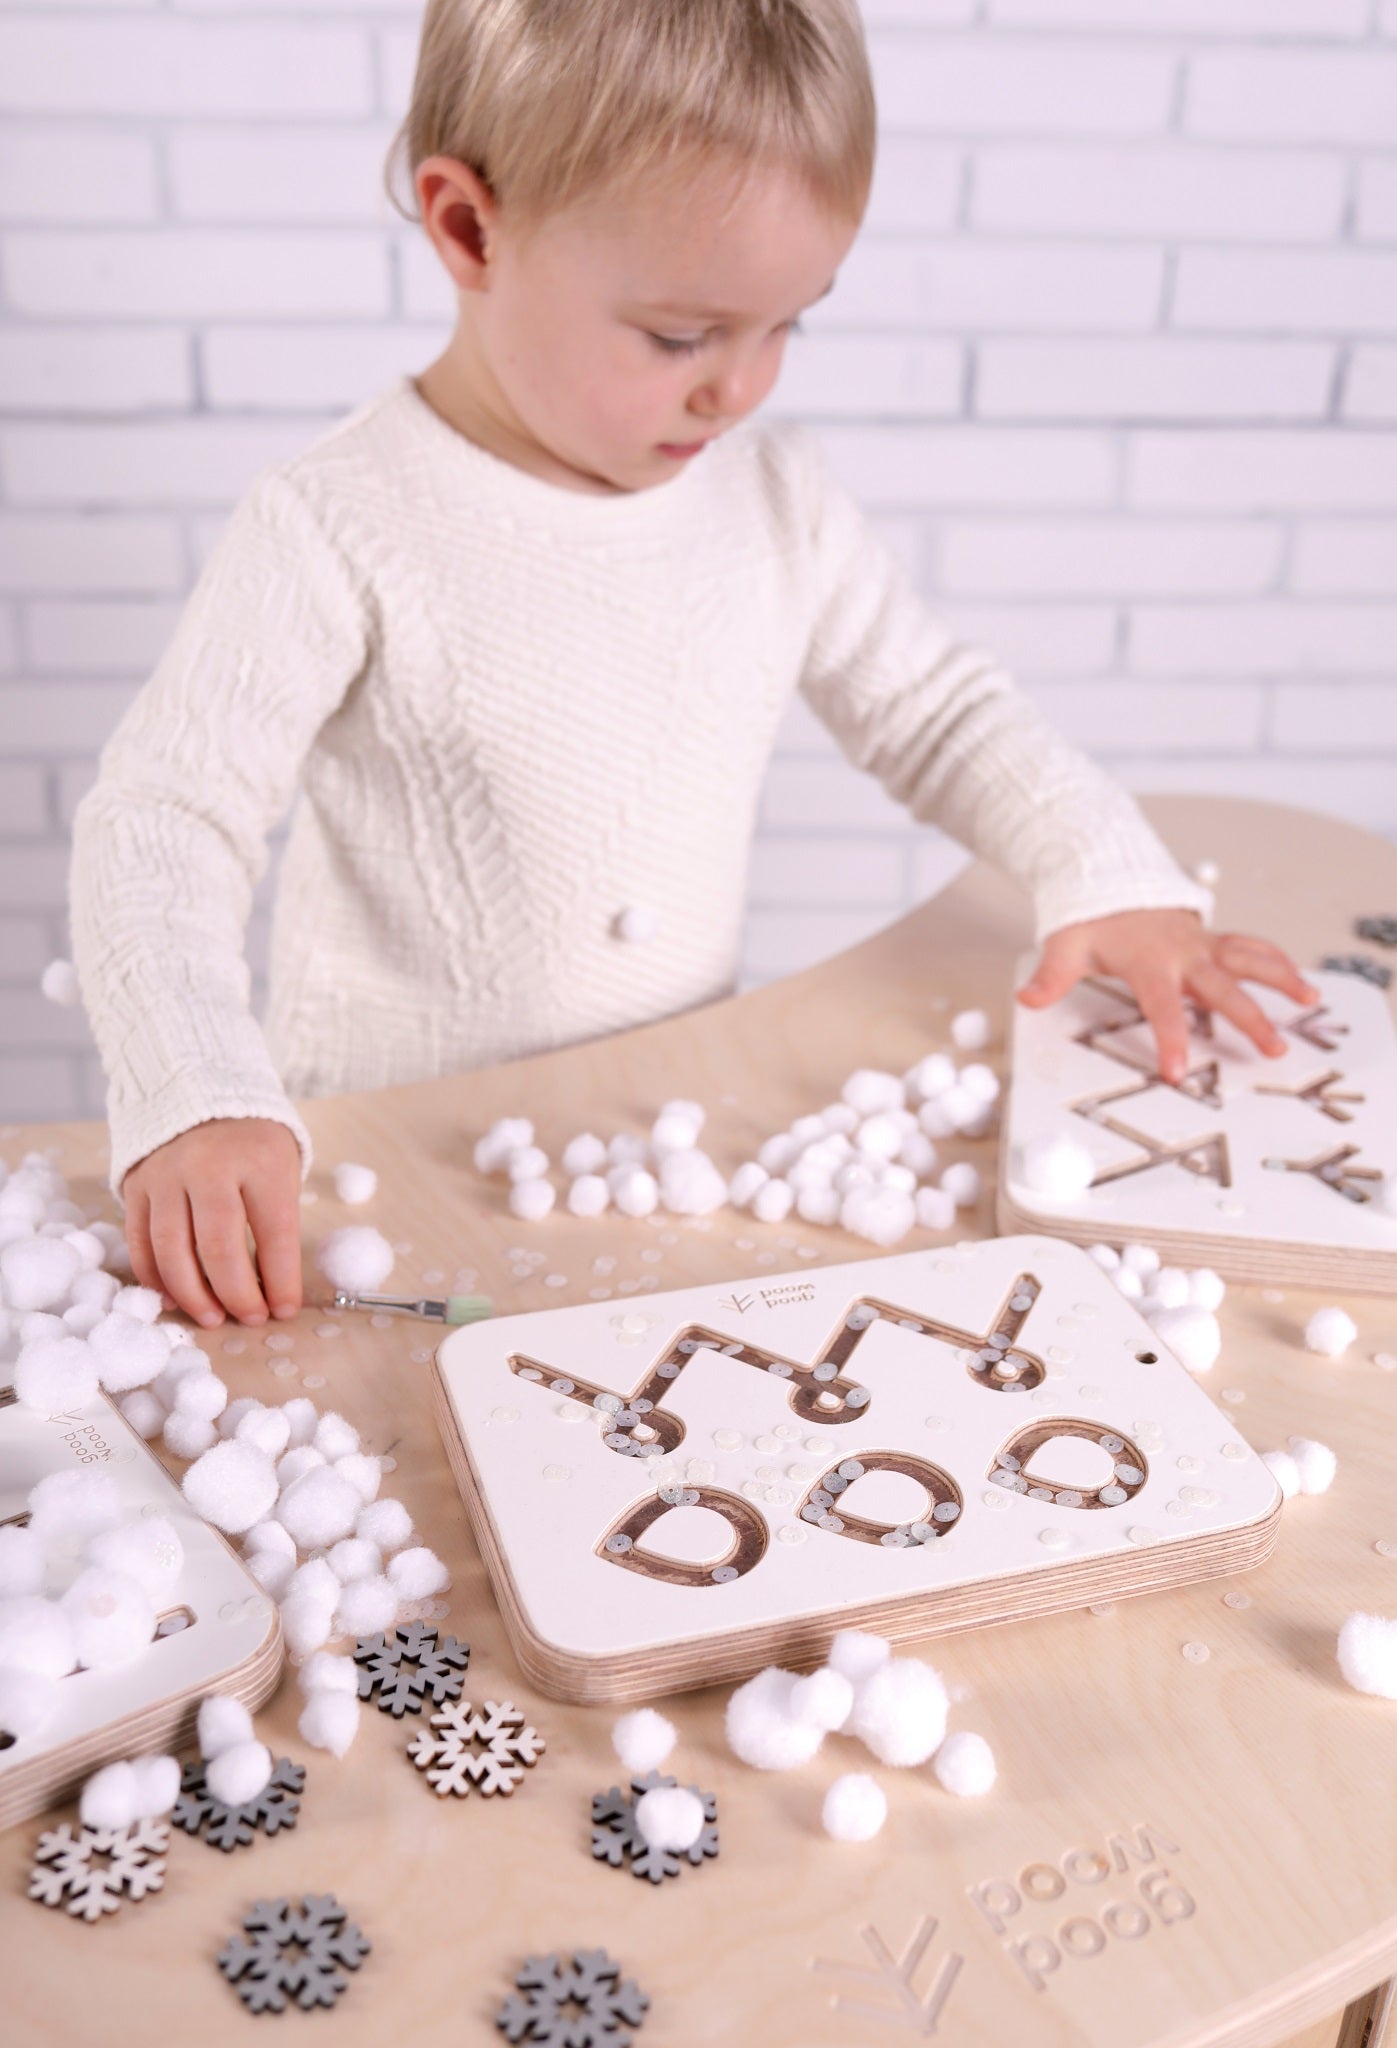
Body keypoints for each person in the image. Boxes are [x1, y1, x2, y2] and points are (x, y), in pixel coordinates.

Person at [70, 0, 1312, 1333]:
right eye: (679, 337)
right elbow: (162, 823)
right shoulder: (338, 525)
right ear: (467, 227)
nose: (741, 390)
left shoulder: (774, 504)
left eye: (789, 325)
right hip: (385, 1167)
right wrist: (195, 1091)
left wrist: (1104, 869)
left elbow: (938, 711)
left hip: (653, 1149)